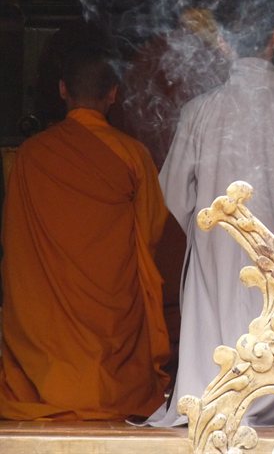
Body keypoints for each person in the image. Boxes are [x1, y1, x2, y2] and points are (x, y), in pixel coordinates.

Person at [146, 7, 274, 428]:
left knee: (215, 329)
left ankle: (214, 393)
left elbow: (171, 195)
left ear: (225, 43)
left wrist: (204, 227)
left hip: (218, 251)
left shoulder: (199, 111)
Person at [0, 26, 171, 420]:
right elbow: (151, 231)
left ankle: (48, 387)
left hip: (47, 318)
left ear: (62, 90)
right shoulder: (131, 154)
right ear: (113, 94)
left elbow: (16, 240)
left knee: (40, 319)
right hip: (112, 314)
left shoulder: (31, 155)